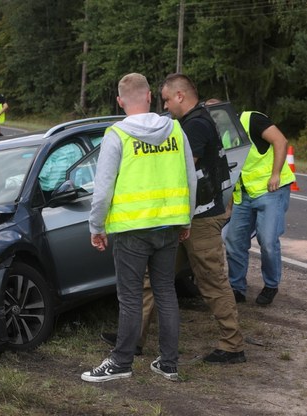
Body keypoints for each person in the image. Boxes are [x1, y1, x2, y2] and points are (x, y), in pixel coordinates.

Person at [81, 73, 196, 383]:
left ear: (120, 101)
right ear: (149, 97)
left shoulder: (116, 134)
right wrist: (186, 219)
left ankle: (121, 362)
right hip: (169, 225)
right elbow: (191, 176)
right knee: (166, 293)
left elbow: (103, 188)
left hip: (132, 230)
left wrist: (96, 225)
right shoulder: (175, 128)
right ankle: (168, 363)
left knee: (131, 297)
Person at [156, 74, 246, 364]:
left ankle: (233, 345)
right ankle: (132, 339)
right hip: (189, 216)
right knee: (154, 277)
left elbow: (182, 170)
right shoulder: (201, 118)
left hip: (201, 218)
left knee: (212, 281)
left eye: (167, 99)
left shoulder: (195, 125)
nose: (166, 106)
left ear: (180, 96)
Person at [223, 107, 295, 305]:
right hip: (243, 196)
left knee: (268, 241)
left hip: (270, 190)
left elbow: (280, 141)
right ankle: (237, 288)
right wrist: (229, 205)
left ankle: (271, 285)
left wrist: (276, 174)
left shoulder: (251, 119)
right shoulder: (225, 136)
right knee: (234, 241)